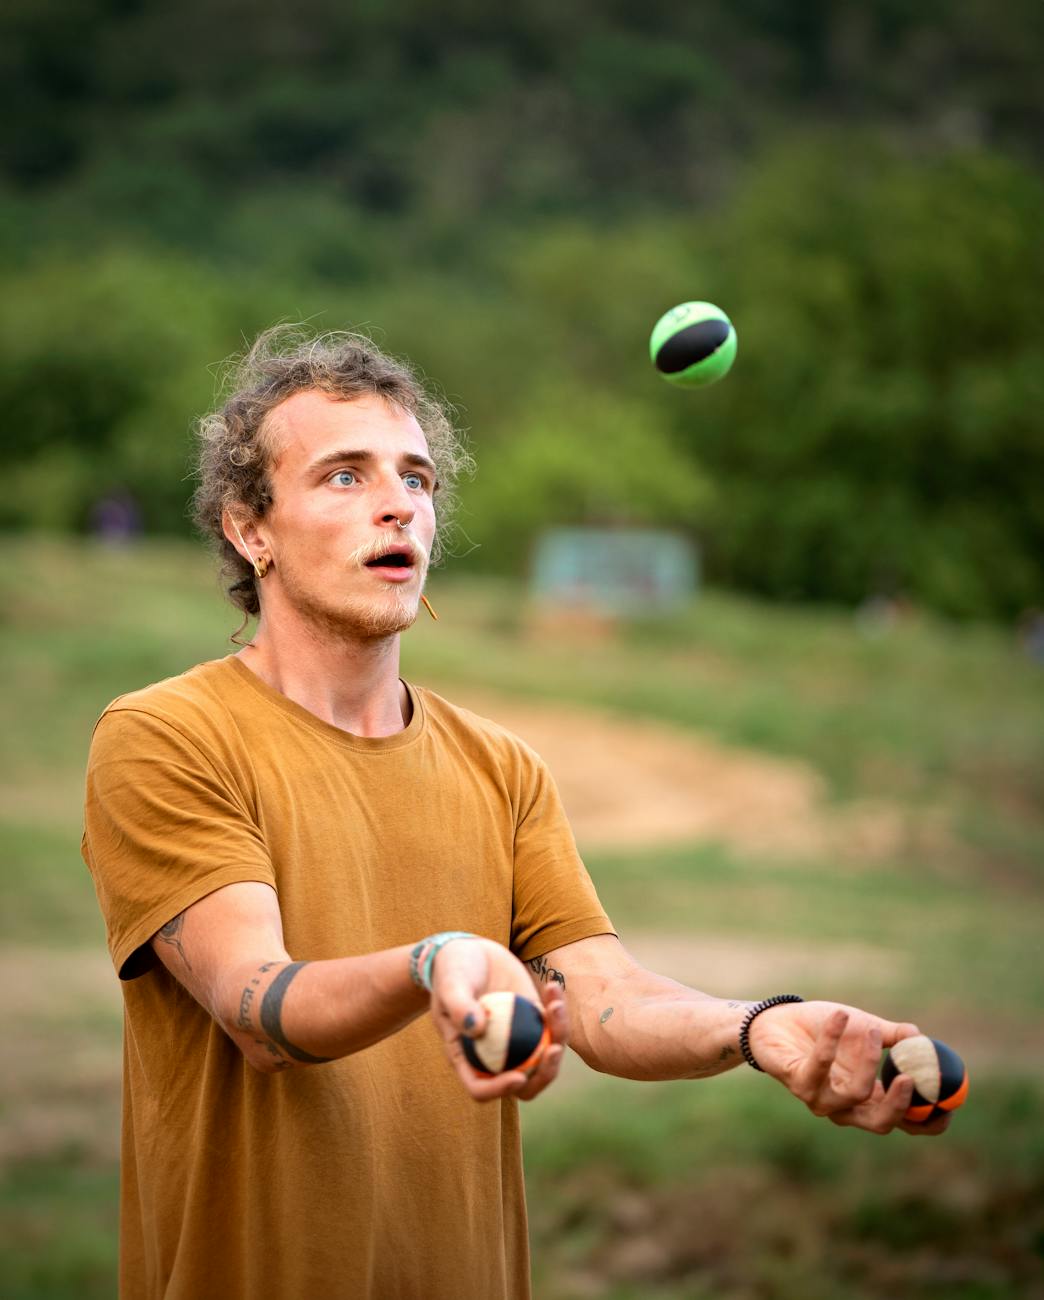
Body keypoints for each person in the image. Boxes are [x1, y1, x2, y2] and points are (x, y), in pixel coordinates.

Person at [82, 327, 946, 1300]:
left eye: (416, 477)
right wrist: (435, 961)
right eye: (343, 476)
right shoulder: (166, 736)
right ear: (251, 526)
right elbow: (259, 1007)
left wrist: (763, 1028)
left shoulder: (503, 770)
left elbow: (606, 1000)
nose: (397, 502)